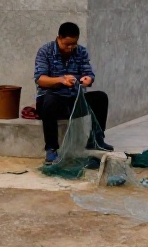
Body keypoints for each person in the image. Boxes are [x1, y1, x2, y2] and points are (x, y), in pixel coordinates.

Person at [34, 22, 112, 163]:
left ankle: (96, 139)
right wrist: (61, 80)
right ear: (59, 38)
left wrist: (88, 79)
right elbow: (40, 79)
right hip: (52, 101)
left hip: (74, 100)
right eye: (67, 44)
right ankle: (51, 148)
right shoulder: (45, 51)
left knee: (100, 97)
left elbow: (88, 73)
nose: (70, 48)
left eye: (73, 44)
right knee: (49, 100)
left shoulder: (81, 51)